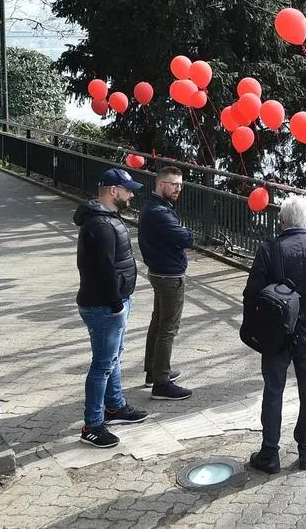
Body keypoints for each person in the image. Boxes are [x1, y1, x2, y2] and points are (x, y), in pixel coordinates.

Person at [243, 194, 306, 474]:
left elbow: (251, 294)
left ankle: (270, 453)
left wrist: (254, 329)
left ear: (282, 220)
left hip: (276, 335)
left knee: (273, 391)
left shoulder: (269, 249)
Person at [75, 168, 149, 448]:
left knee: (113, 358)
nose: (131, 194)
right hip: (105, 306)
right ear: (112, 190)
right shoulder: (100, 225)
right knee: (103, 365)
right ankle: (92, 425)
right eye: (128, 189)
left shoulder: (107, 219)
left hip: (112, 303)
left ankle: (115, 407)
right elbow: (102, 270)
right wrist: (116, 303)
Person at [138, 165, 194, 400]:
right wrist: (186, 233)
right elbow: (186, 238)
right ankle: (161, 383)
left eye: (180, 185)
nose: (178, 189)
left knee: (158, 322)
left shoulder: (156, 208)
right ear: (161, 185)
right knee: (168, 328)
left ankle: (154, 371)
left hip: (160, 272)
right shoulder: (159, 212)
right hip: (169, 276)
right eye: (174, 184)